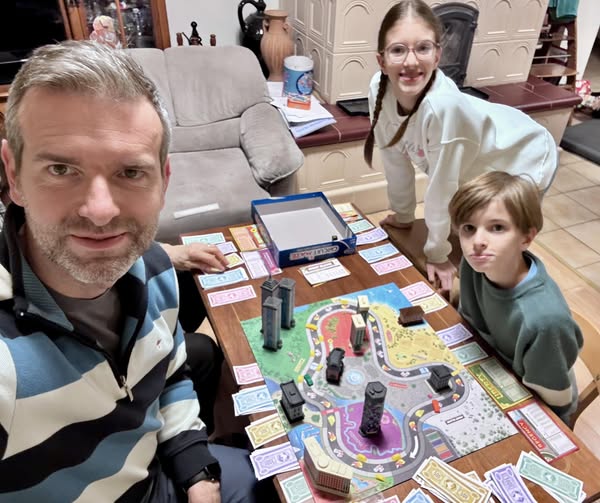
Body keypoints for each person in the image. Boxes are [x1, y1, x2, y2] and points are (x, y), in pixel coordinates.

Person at [0, 40, 265, 502]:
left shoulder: (156, 269)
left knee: (258, 475)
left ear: (164, 180)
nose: (101, 211)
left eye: (130, 172)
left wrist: (197, 473)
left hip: (157, 475)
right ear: (13, 175)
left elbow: (170, 372)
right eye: (61, 169)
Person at [364, 0, 558, 295]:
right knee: (468, 237)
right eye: (398, 50)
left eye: (423, 48)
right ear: (381, 60)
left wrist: (437, 254)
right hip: (475, 158)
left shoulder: (442, 108)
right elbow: (393, 158)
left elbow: (442, 188)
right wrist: (403, 215)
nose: (411, 62)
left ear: (438, 55)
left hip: (523, 154)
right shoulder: (377, 89)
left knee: (499, 252)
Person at [448, 171, 582, 424]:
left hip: (536, 403)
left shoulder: (545, 321)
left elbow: (554, 404)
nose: (478, 242)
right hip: (486, 367)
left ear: (527, 237)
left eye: (497, 227)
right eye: (468, 228)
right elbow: (470, 325)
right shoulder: (476, 264)